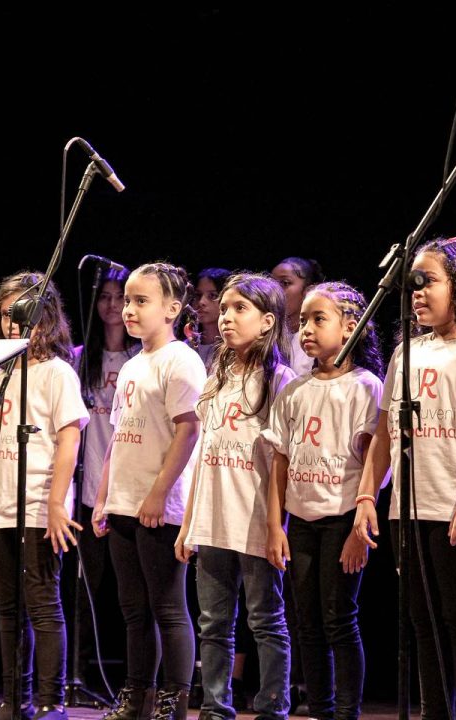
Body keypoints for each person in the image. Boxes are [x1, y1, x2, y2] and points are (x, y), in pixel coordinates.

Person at [354, 236, 456, 720]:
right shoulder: (407, 351)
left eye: (427, 282)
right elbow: (386, 432)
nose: (416, 293)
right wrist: (368, 495)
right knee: (422, 622)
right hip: (409, 506)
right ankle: (433, 713)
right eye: (411, 285)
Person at [0, 272, 89, 720]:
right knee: (8, 611)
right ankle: (16, 700)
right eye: (6, 315)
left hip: (37, 505)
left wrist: (56, 504)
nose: (12, 324)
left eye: (22, 313)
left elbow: (69, 439)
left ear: (46, 316)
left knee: (43, 606)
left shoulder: (56, 373)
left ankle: (50, 701)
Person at [175, 272, 296, 720]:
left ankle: (271, 708)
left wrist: (274, 526)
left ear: (267, 322)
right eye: (223, 308)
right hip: (212, 520)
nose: (226, 317)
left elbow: (279, 461)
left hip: (256, 521)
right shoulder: (216, 378)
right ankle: (214, 707)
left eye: (239, 309)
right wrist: (189, 524)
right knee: (213, 624)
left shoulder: (280, 380)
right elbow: (203, 456)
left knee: (265, 620)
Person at [92, 262, 206, 720]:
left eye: (141, 301)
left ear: (172, 309)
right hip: (124, 500)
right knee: (133, 608)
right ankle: (136, 695)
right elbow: (118, 438)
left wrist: (158, 494)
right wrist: (103, 496)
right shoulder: (134, 363)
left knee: (167, 607)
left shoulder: (180, 360)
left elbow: (188, 430)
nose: (128, 309)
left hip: (160, 505)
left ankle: (172, 700)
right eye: (126, 301)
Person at [265, 281, 384, 720]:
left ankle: (347, 712)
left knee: (339, 618)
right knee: (307, 624)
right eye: (302, 322)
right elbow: (280, 460)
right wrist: (275, 525)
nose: (306, 330)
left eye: (319, 319)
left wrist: (360, 524)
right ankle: (321, 708)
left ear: (351, 326)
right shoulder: (294, 390)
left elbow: (377, 459)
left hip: (342, 519)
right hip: (300, 520)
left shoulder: (366, 386)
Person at [71, 266, 140, 686]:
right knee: (85, 589)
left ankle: (138, 681)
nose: (112, 305)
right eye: (106, 297)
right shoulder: (80, 358)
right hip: (87, 485)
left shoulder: (140, 359)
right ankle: (77, 673)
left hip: (129, 489)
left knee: (131, 593)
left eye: (121, 297)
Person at [271, 257, 325, 377]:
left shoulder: (315, 341)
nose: (275, 291)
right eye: (271, 284)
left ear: (308, 291)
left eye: (285, 283)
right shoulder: (266, 338)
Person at [193, 268, 230, 371]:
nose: (201, 302)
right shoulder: (185, 347)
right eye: (198, 295)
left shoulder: (235, 349)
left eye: (212, 296)